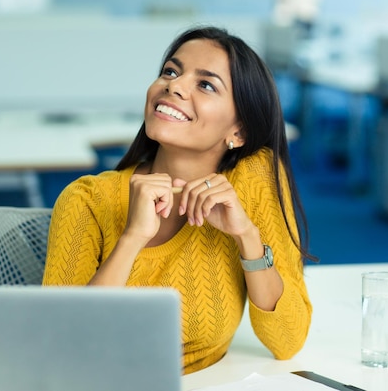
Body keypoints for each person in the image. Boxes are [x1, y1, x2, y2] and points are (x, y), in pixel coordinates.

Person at [42, 26, 314, 374]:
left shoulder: (253, 178)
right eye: (171, 71)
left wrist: (247, 236)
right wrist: (132, 238)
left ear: (239, 131)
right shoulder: (88, 200)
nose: (174, 85)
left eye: (206, 84)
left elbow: (287, 340)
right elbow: (63, 348)